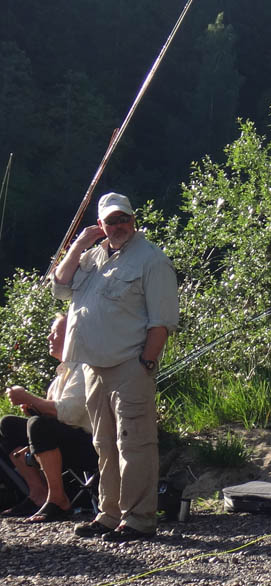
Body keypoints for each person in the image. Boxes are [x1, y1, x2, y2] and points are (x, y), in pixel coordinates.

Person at [51, 192, 179, 543]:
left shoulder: (152, 260)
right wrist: (79, 244)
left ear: (133, 220)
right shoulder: (91, 256)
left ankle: (138, 520)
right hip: (92, 366)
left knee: (134, 443)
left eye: (124, 219)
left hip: (129, 364)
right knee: (104, 443)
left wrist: (146, 363)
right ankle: (109, 515)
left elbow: (162, 322)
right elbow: (60, 287)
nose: (119, 226)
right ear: (101, 225)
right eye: (111, 221)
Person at [0, 314, 98, 522]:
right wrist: (33, 407)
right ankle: (38, 494)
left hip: (92, 446)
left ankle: (58, 499)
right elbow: (54, 415)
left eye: (55, 332)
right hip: (65, 440)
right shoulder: (62, 374)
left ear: (73, 336)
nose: (49, 337)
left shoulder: (84, 369)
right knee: (8, 424)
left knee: (39, 425)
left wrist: (28, 397)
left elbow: (67, 414)